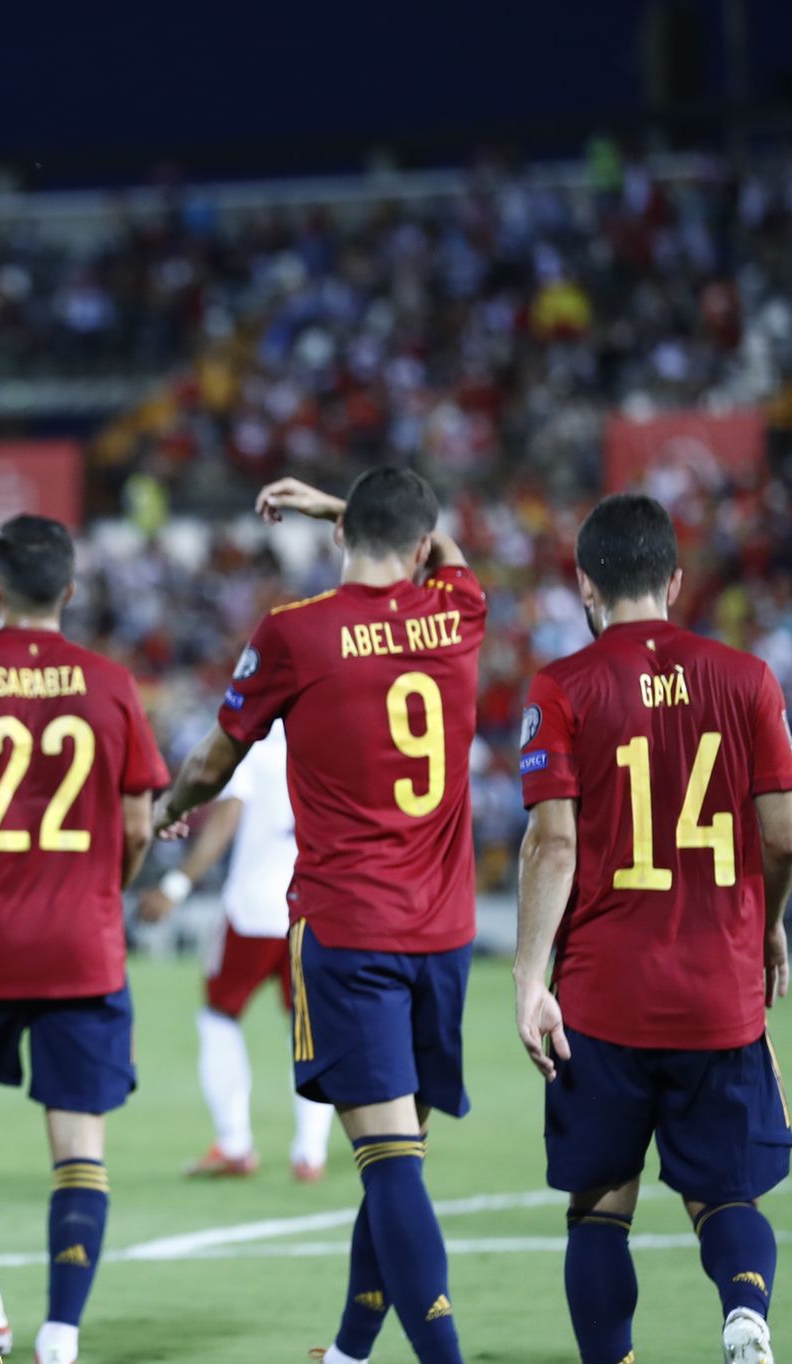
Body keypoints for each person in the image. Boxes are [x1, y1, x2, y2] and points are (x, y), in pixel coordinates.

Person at [154, 471, 484, 1364]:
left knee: (390, 1165)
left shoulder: (296, 632)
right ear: (418, 547)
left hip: (350, 928)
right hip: (447, 933)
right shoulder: (458, 612)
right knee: (398, 1156)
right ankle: (347, 1353)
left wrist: (162, 810)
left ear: (343, 542)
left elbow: (219, 756)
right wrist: (350, 505)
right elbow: (446, 551)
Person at [512, 493, 792, 1364]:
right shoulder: (748, 677)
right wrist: (771, 926)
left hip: (604, 999)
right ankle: (745, 1314)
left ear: (584, 585)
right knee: (726, 1197)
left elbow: (552, 841)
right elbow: (785, 836)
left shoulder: (561, 686)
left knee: (599, 1205)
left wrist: (531, 977)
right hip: (720, 994)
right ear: (675, 581)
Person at [0, 514, 170, 1364]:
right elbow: (138, 824)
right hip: (81, 945)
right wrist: (104, 888)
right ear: (69, 589)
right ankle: (62, 1332)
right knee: (79, 1146)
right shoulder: (111, 683)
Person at [138, 723, 335, 1182]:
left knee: (218, 1017)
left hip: (254, 909)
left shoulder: (257, 739)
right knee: (309, 1027)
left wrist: (176, 883)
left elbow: (227, 818)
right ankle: (311, 1152)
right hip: (315, 908)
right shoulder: (330, 733)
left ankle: (234, 1143)